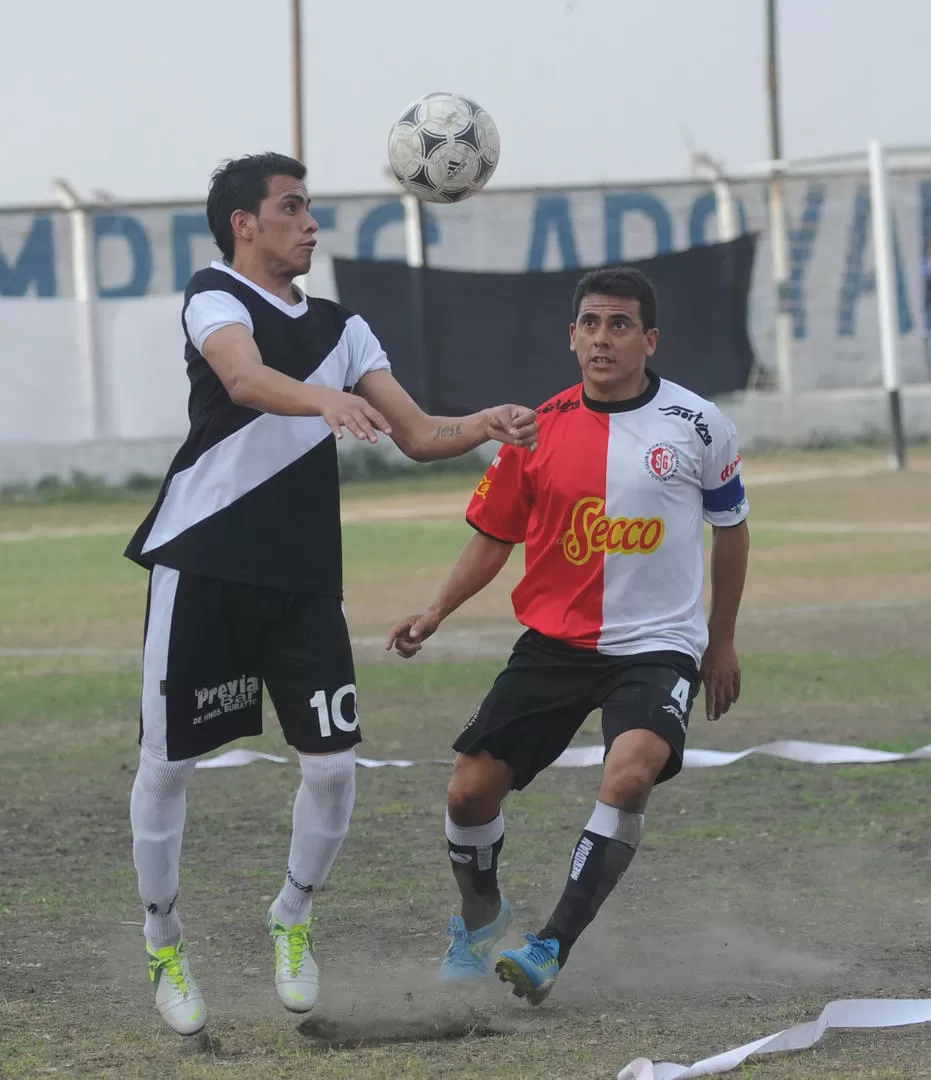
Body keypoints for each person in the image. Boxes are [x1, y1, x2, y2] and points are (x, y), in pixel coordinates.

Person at [123, 152, 538, 1036]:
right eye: (292, 207)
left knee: (335, 766)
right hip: (200, 566)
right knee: (167, 765)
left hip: (304, 581)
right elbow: (241, 377)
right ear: (244, 222)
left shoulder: (347, 327)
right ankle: (163, 938)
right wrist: (322, 402)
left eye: (310, 207)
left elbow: (419, 433)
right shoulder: (214, 295)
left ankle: (292, 918)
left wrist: (483, 425)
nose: (310, 223)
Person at [387, 267, 750, 1005]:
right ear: (571, 336)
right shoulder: (534, 430)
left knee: (629, 774)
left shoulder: (700, 425)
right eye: (589, 323)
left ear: (648, 339)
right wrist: (435, 611)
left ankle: (549, 946)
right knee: (467, 794)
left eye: (619, 325)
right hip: (554, 646)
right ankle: (481, 917)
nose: (601, 339)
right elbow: (493, 535)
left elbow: (731, 531)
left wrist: (720, 641)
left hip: (656, 646)